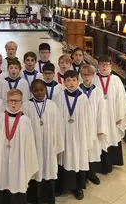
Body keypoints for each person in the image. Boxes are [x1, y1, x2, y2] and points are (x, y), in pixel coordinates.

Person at [0, 89, 39, 204]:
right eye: (11, 101)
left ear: (21, 103)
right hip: (2, 155)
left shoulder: (25, 120)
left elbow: (29, 144)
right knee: (2, 175)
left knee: (17, 176)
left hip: (18, 157)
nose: (13, 104)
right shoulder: (1, 118)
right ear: (7, 102)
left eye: (16, 101)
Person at [56, 70, 96, 200]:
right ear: (64, 83)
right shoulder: (59, 96)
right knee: (65, 158)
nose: (71, 83)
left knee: (78, 159)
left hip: (79, 134)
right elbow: (55, 118)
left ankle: (78, 187)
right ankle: (63, 186)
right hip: (65, 134)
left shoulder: (83, 97)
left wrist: (88, 137)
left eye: (73, 80)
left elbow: (89, 119)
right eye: (68, 80)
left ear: (78, 82)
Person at [23, 80, 64, 204]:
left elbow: (58, 126)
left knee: (48, 168)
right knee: (34, 169)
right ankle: (33, 197)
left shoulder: (52, 105)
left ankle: (48, 197)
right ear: (31, 91)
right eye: (36, 90)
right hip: (33, 144)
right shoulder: (26, 105)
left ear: (45, 90)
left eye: (41, 89)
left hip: (48, 145)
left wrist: (57, 144)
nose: (39, 92)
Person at [97, 56, 126, 174]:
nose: (104, 67)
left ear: (111, 66)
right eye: (102, 64)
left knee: (112, 136)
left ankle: (111, 161)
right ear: (98, 65)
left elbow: (121, 99)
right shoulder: (94, 79)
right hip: (99, 116)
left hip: (113, 115)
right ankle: (100, 164)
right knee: (100, 137)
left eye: (106, 64)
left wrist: (120, 115)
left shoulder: (116, 80)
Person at [79, 65, 109, 185]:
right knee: (82, 151)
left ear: (93, 76)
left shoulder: (97, 91)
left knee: (92, 150)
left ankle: (91, 174)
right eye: (84, 75)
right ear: (81, 76)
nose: (86, 77)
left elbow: (101, 110)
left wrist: (101, 127)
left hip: (93, 125)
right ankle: (83, 175)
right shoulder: (77, 90)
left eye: (89, 75)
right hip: (81, 126)